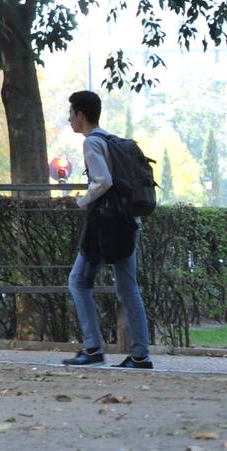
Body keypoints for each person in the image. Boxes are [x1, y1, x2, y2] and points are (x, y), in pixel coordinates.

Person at [62, 90, 154, 369]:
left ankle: (92, 348)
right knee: (128, 289)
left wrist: (81, 201)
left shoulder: (91, 143)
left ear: (81, 114)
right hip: (127, 222)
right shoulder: (112, 140)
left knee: (78, 281)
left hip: (104, 226)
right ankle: (140, 355)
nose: (69, 119)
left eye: (71, 113)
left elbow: (102, 181)